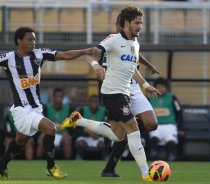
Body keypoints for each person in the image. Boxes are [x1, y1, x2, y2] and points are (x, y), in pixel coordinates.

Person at [0, 26, 99, 179]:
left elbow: (65, 55)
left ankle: (1, 164)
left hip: (36, 109)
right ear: (19, 41)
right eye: (29, 39)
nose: (33, 42)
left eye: (34, 39)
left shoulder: (39, 54)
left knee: (21, 141)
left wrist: (84, 51)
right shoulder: (8, 58)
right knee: (51, 129)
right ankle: (51, 167)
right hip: (21, 109)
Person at [62, 6, 160, 182]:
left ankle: (78, 120)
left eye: (141, 23)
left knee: (118, 136)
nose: (140, 26)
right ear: (125, 23)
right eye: (137, 23)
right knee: (133, 130)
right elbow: (89, 53)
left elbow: (132, 69)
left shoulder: (135, 44)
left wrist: (146, 85)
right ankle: (146, 174)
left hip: (127, 93)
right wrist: (96, 66)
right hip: (112, 93)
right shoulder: (113, 40)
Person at [149, 77, 182, 161]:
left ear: (166, 88)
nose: (160, 89)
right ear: (155, 88)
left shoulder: (172, 97)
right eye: (158, 87)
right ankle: (153, 156)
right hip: (155, 125)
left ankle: (173, 157)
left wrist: (180, 127)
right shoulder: (150, 98)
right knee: (154, 138)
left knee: (171, 140)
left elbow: (178, 112)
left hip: (169, 125)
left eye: (162, 87)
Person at [41, 87, 74, 160]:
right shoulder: (46, 109)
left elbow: (72, 126)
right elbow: (41, 123)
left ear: (63, 97)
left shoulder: (69, 109)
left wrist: (68, 133)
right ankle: (37, 160)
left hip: (62, 135)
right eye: (57, 96)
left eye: (61, 96)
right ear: (53, 97)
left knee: (67, 140)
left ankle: (68, 162)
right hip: (49, 134)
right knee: (41, 139)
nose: (59, 98)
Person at [75, 95, 108, 160]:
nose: (94, 103)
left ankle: (105, 160)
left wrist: (98, 132)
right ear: (88, 102)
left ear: (99, 102)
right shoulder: (82, 111)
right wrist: (88, 131)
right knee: (81, 143)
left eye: (96, 101)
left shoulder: (104, 111)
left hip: (99, 137)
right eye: (92, 101)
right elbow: (77, 128)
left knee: (103, 144)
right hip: (85, 137)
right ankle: (79, 159)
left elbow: (107, 126)